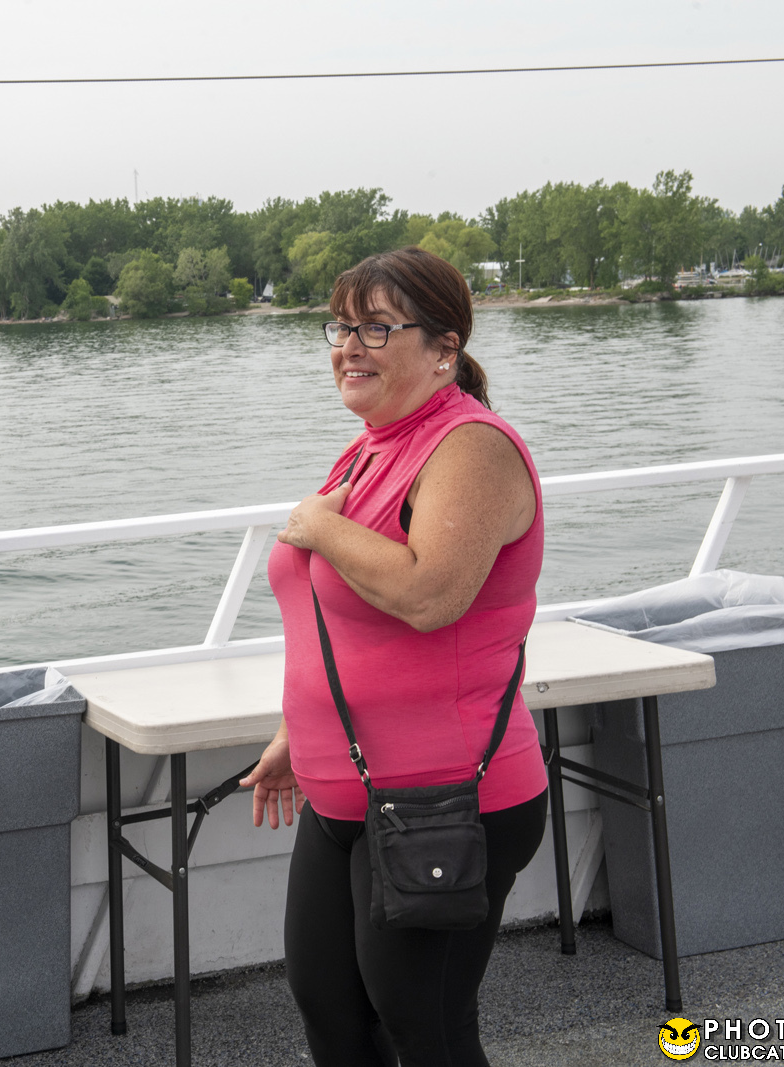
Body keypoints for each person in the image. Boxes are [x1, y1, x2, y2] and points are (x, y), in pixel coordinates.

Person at [241, 248, 548, 1067]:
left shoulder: (471, 448)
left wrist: (319, 525)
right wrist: (294, 731)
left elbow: (427, 594)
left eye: (376, 327)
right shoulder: (371, 446)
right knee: (331, 1010)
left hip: (446, 796)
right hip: (343, 790)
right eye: (342, 327)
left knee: (426, 1027)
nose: (349, 346)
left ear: (445, 347)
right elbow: (329, 618)